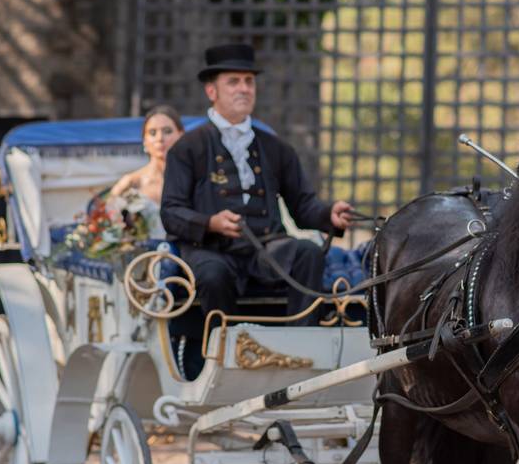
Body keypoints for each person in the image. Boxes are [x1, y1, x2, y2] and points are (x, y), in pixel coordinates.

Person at [160, 43, 353, 324]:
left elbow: (302, 205)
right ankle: (225, 357)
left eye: (249, 81)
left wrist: (328, 214)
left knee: (307, 253)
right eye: (234, 82)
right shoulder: (187, 148)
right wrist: (210, 222)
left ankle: (302, 350)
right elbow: (171, 212)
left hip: (266, 249)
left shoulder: (277, 149)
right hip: (211, 251)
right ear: (211, 91)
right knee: (213, 274)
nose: (244, 88)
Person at [108, 105, 184, 239]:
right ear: (145, 140)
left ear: (181, 134)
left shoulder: (195, 179)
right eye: (153, 132)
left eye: (167, 131)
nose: (160, 138)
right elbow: (109, 224)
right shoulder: (131, 182)